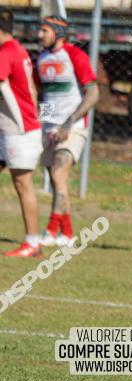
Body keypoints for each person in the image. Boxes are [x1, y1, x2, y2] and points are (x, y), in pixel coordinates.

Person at [34, 15, 99, 248]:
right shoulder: (41, 58)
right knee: (55, 179)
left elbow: (93, 94)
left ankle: (51, 230)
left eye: (44, 31)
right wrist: (41, 122)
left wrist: (69, 122)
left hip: (73, 127)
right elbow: (43, 95)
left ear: (58, 33)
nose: (39, 35)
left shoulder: (75, 55)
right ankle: (68, 233)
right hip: (49, 129)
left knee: (59, 175)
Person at [0, 9, 42, 257]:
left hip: (19, 130)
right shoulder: (17, 49)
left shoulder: (6, 53)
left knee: (22, 184)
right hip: (10, 128)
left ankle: (33, 242)